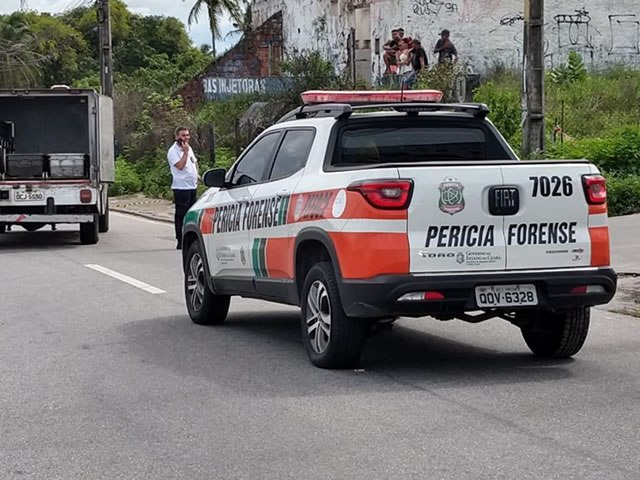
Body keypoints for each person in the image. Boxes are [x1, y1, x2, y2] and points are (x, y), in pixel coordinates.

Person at [167, 126, 199, 250]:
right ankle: (180, 239)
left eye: (187, 135)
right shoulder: (173, 151)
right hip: (181, 187)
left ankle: (190, 237)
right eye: (183, 135)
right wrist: (184, 152)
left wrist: (197, 173)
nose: (186, 137)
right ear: (177, 137)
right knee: (181, 214)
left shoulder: (189, 148)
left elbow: (194, 161)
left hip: (192, 186)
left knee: (192, 213)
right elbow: (180, 166)